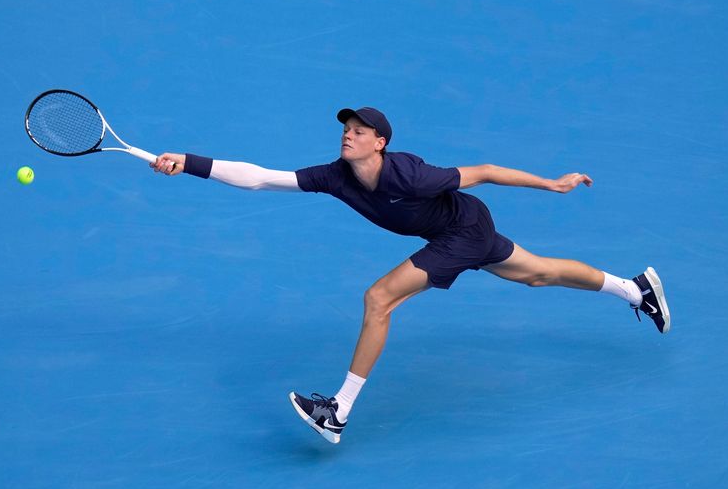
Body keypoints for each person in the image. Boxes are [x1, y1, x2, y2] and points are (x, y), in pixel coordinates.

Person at [150, 107, 670, 444]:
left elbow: (484, 172)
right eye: (344, 130)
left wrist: (552, 185)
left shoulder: (411, 173)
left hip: (463, 230)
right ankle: (635, 288)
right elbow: (262, 178)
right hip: (454, 234)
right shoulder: (335, 176)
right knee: (536, 274)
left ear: (380, 143)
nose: (346, 136)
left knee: (379, 298)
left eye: (358, 132)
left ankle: (338, 411)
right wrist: (189, 162)